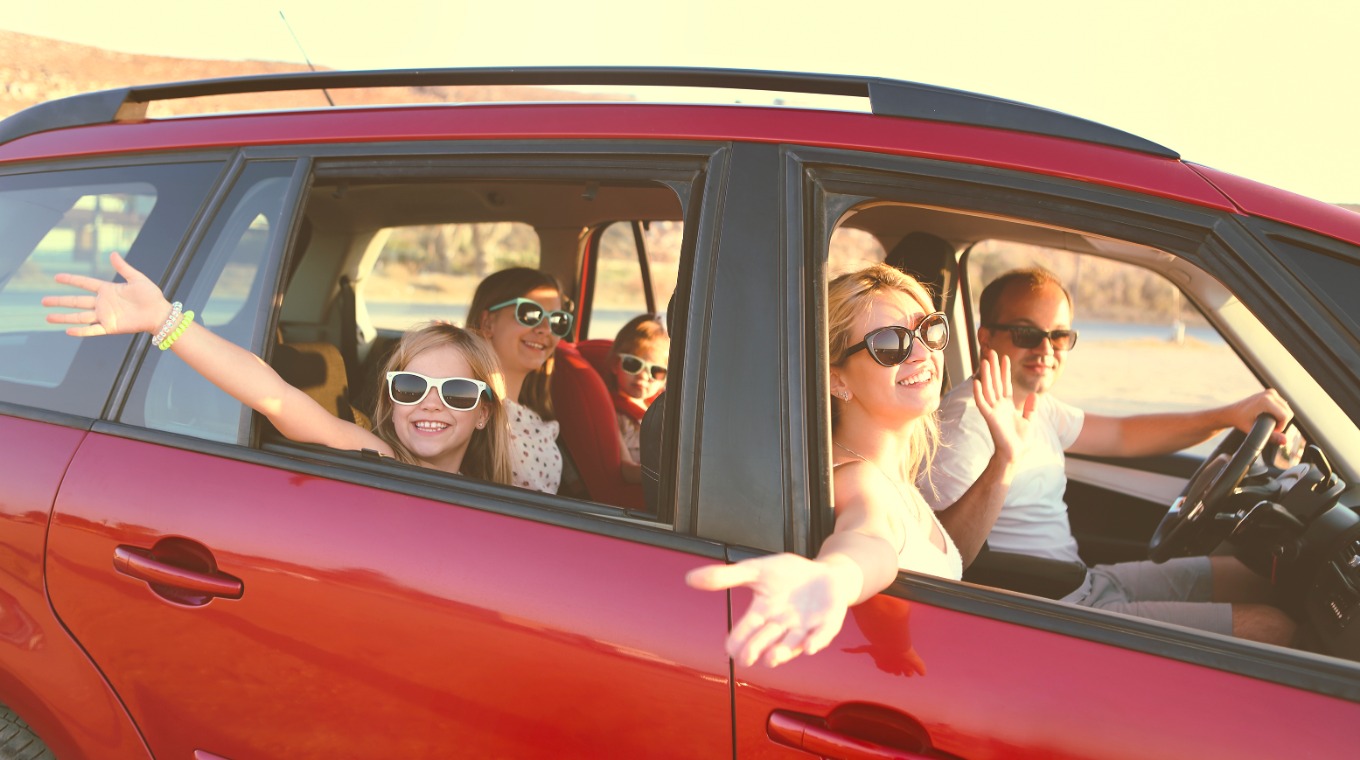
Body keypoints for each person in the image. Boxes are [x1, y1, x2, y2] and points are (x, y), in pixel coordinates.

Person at [924, 267, 1296, 645]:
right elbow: (944, 556)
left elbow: (1121, 435)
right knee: (1273, 629)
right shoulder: (966, 424)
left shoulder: (1035, 405)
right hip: (1056, 605)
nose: (1046, 349)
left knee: (1259, 579)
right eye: (1026, 333)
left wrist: (1228, 415)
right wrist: (1005, 459)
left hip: (1082, 580)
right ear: (985, 338)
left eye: (1060, 336)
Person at [686, 263, 1024, 668]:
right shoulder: (860, 478)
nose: (922, 354)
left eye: (928, 329)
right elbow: (869, 540)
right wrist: (835, 579)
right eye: (889, 343)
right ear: (836, 380)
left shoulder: (889, 473)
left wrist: (1005, 460)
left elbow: (938, 556)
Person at [42, 252, 513, 484]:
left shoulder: (498, 489)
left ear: (485, 411)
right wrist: (165, 321)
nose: (431, 402)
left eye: (456, 392)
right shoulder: (380, 457)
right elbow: (275, 397)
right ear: (391, 397)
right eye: (411, 386)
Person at [467, 267, 572, 494]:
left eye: (557, 320)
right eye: (530, 314)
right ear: (487, 323)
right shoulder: (465, 409)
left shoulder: (535, 416)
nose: (545, 329)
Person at [606, 315, 669, 484]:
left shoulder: (665, 408)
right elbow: (625, 470)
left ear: (665, 378)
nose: (642, 376)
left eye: (656, 371)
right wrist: (670, 477)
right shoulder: (612, 413)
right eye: (633, 364)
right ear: (614, 364)